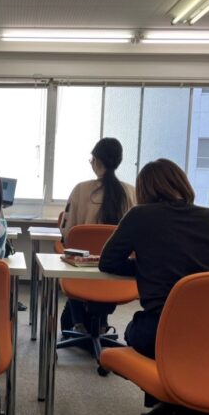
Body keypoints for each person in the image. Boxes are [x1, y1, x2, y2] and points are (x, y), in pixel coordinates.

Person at [99, 158, 209, 360]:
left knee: (133, 330)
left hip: (159, 331)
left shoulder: (139, 216)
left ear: (144, 190)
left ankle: (160, 379)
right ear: (182, 183)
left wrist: (148, 268)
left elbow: (108, 262)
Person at [59, 137, 136, 336]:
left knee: (67, 260)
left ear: (96, 160)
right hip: (118, 277)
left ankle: (80, 323)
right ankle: (98, 322)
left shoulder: (80, 190)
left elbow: (68, 235)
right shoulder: (131, 192)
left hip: (81, 274)